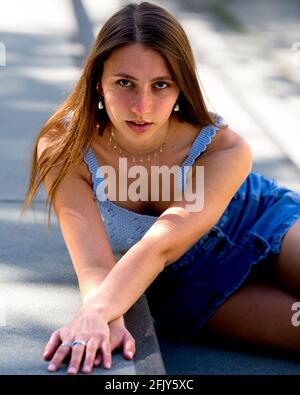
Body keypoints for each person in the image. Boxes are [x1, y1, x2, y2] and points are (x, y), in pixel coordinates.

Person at [22, 2, 300, 375]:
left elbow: (163, 240)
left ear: (181, 87)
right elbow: (92, 264)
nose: (142, 105)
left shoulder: (222, 148)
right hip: (189, 285)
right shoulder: (65, 149)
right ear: (97, 81)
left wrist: (99, 310)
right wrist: (103, 316)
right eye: (124, 83)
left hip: (264, 222)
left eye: (161, 85)